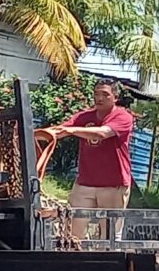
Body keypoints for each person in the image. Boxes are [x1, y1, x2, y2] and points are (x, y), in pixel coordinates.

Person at [45, 80, 138, 229]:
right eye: (96, 94)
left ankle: (107, 246)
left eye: (105, 94)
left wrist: (73, 130)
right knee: (72, 229)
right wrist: (32, 134)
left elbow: (102, 133)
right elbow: (58, 131)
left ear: (115, 97)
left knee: (109, 233)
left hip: (113, 185)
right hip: (85, 183)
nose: (99, 98)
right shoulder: (84, 117)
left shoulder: (123, 117)